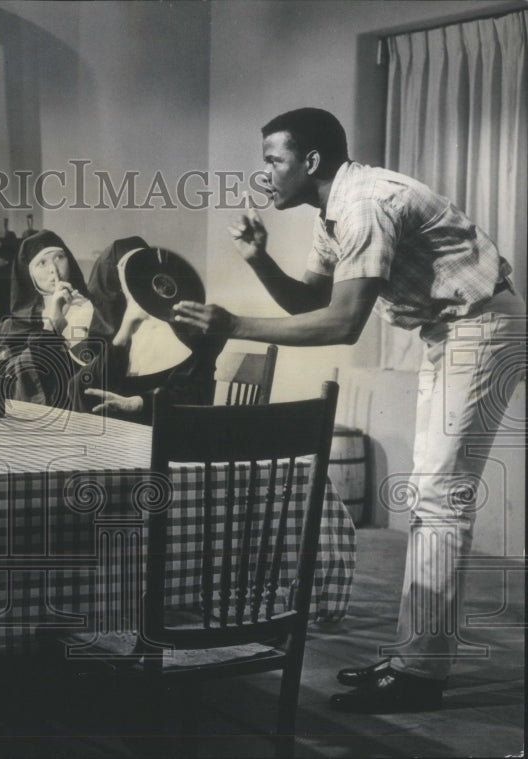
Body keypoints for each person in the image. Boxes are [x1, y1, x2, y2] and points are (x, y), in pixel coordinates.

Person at [173, 107, 524, 714]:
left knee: (440, 497)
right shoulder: (332, 208)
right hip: (451, 331)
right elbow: (314, 299)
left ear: (310, 162)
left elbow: (342, 324)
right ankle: (414, 657)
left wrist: (231, 326)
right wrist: (258, 259)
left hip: (483, 326)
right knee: (433, 496)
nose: (266, 176)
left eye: (273, 162)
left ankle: (419, 672)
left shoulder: (363, 203)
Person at [72, 237, 226, 423]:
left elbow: (193, 394)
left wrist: (139, 403)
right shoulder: (109, 332)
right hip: (117, 433)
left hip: (167, 430)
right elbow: (82, 389)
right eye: (126, 270)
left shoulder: (190, 331)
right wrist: (124, 333)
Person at [0, 229, 105, 408]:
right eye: (42, 263)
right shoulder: (13, 325)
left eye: (59, 257)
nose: (53, 270)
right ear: (28, 274)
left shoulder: (91, 309)